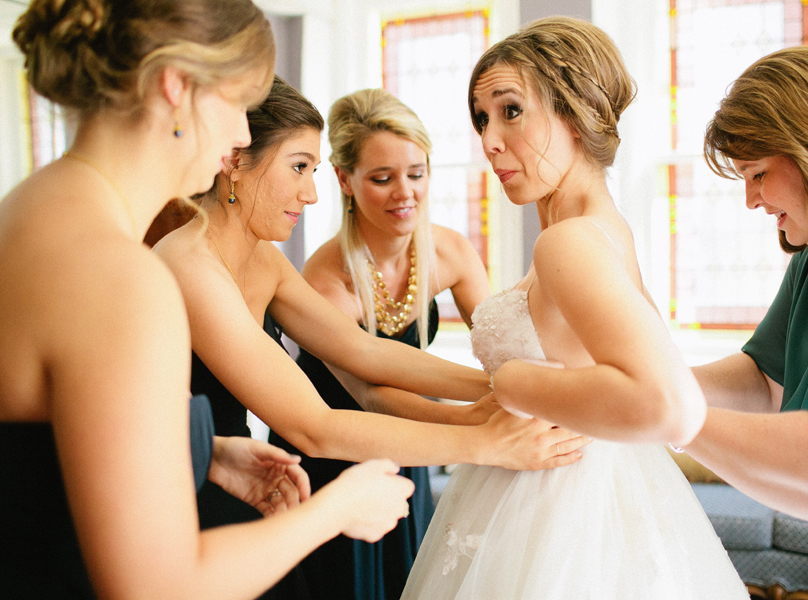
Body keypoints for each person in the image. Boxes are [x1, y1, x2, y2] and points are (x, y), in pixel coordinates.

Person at [0, 1, 416, 598]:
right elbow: (159, 587)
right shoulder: (122, 277)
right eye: (238, 104)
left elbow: (34, 452)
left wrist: (201, 451)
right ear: (178, 86)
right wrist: (336, 509)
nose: (242, 136)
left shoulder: (29, 211)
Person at [152, 77, 589, 596]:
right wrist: (485, 442)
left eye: (312, 172)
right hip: (187, 497)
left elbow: (362, 350)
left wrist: (499, 387)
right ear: (234, 161)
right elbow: (313, 424)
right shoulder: (190, 265)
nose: (311, 194)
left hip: (251, 480)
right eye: (298, 168)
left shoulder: (262, 258)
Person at [401, 17, 749, 599]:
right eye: (482, 118)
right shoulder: (602, 230)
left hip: (560, 508)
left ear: (576, 111)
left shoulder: (569, 242)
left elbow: (660, 399)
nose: (488, 140)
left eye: (510, 111)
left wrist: (514, 382)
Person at [660, 47, 808, 600]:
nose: (750, 200)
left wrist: (666, 416)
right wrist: (653, 381)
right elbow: (764, 382)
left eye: (759, 174)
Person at [267, 88, 492, 600]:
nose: (405, 193)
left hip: (408, 448)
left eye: (416, 173)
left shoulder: (450, 251)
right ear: (344, 180)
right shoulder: (327, 279)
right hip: (335, 457)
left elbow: (499, 347)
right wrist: (477, 416)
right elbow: (372, 394)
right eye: (382, 178)